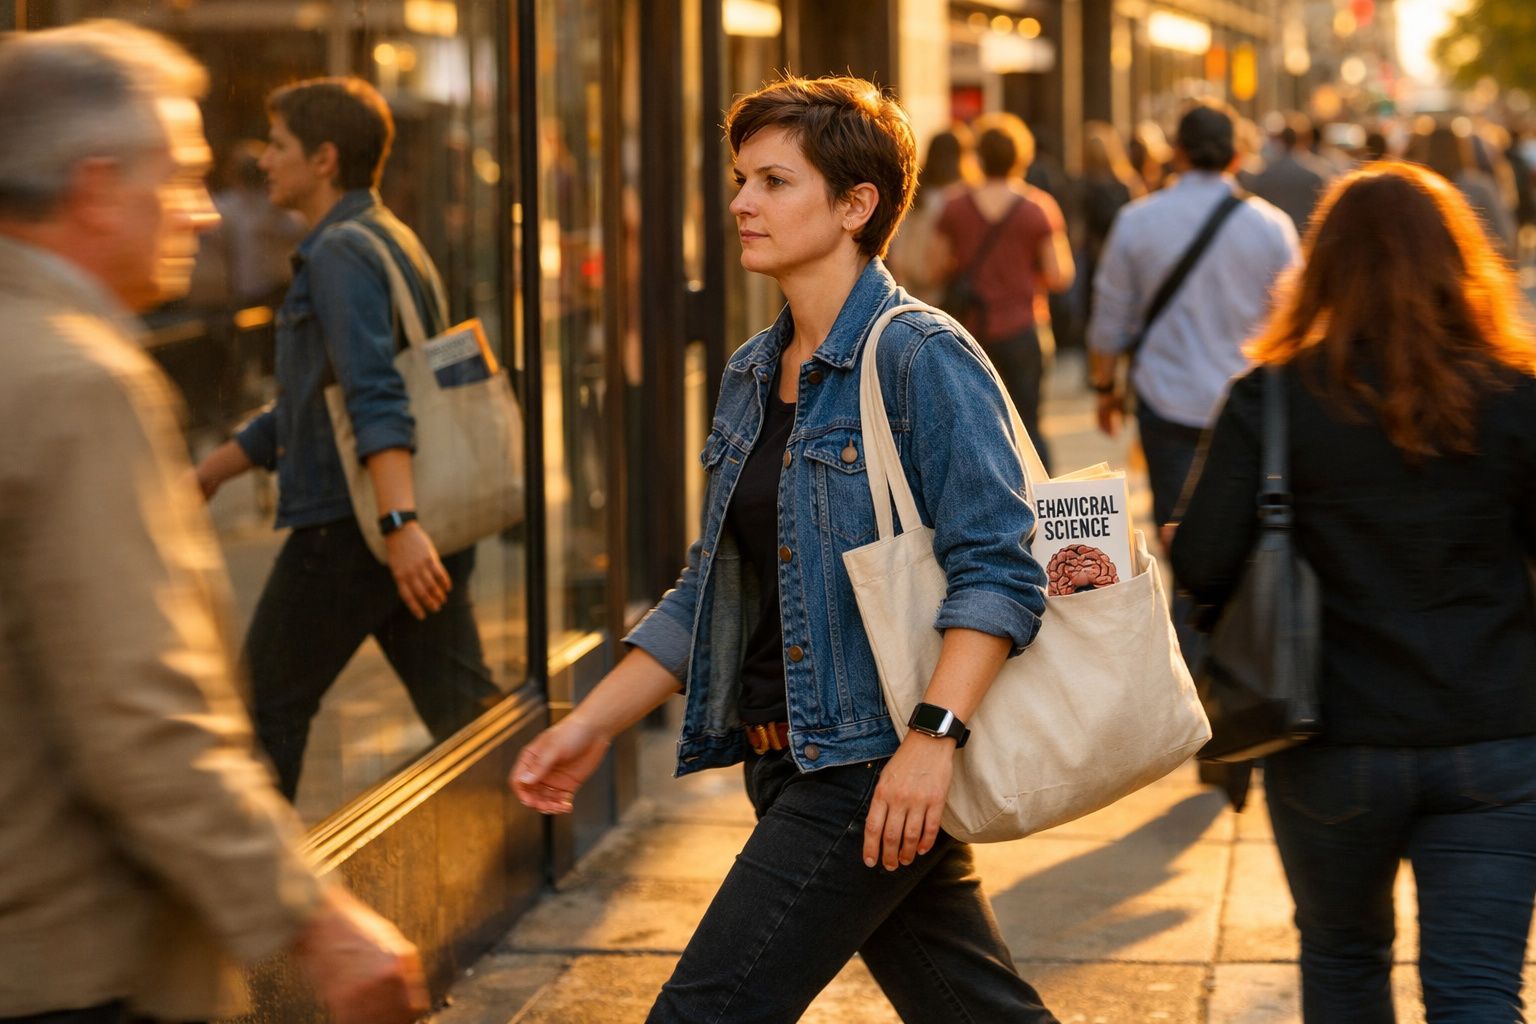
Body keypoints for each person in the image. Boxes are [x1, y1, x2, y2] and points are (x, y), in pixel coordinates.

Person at [512, 74, 1059, 1024]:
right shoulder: (753, 372)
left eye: (772, 181)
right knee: (974, 1010)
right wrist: (588, 725)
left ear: (857, 206)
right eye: (741, 178)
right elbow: (710, 586)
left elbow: (1001, 571)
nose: (740, 203)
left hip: (867, 765)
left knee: (703, 1013)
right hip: (785, 761)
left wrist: (932, 743)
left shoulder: (920, 357)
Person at [0, 22, 427, 1024]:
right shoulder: (77, 381)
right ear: (98, 188)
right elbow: (144, 713)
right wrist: (313, 917)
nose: (202, 210)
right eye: (183, 174)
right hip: (87, 964)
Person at [1170, 161, 1536, 1021]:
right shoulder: (1516, 397)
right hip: (1496, 736)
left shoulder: (1272, 399)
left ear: (1323, 267)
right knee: (1479, 990)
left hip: (1329, 738)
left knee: (1341, 965)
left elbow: (1204, 569)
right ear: (1460, 263)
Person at [194, 77, 501, 800]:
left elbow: (374, 393)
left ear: (325, 158)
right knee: (463, 710)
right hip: (404, 520)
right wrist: (214, 470)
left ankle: (257, 903)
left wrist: (397, 525)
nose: (265, 160)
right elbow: (311, 404)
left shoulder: (339, 254)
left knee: (265, 710)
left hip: (354, 525)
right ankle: (528, 841)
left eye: (279, 146)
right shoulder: (390, 238)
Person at [930, 112, 1074, 472]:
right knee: (1028, 424)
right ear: (1021, 156)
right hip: (1024, 329)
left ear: (977, 156)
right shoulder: (1037, 207)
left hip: (968, 333)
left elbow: (933, 267)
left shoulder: (955, 206)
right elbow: (1060, 274)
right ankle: (1043, 506)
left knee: (971, 428)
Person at [884, 124, 975, 304]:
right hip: (943, 283)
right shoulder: (962, 197)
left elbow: (900, 237)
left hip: (908, 276)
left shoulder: (917, 190)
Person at [1075, 121, 1144, 344]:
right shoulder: (1127, 183)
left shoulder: (1082, 185)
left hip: (1094, 259)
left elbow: (1077, 229)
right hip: (1125, 257)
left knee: (1096, 315)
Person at [1240, 112, 1335, 233]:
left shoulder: (1265, 173)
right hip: (1304, 232)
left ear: (1281, 141)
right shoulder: (1317, 172)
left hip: (1275, 231)